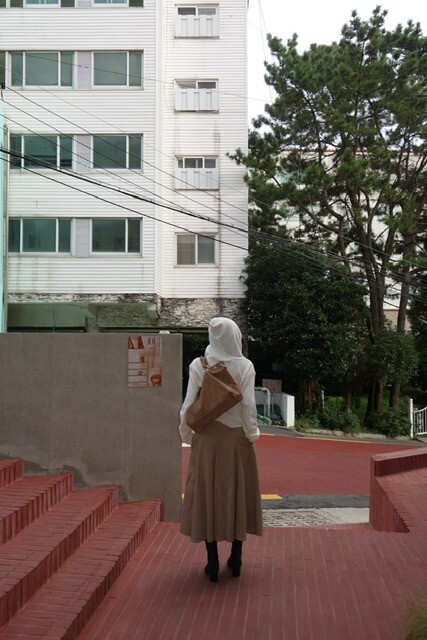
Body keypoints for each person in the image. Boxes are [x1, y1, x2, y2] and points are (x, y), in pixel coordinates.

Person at [179, 317, 263, 583]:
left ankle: (212, 561)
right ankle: (236, 557)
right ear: (235, 336)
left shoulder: (199, 365)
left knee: (208, 496)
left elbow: (188, 406)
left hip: (206, 440)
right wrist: (252, 434)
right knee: (238, 494)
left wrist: (187, 435)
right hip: (236, 440)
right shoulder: (245, 366)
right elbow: (249, 406)